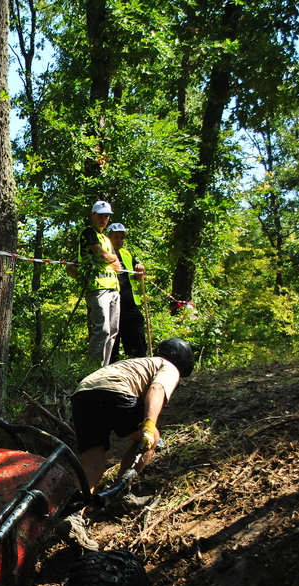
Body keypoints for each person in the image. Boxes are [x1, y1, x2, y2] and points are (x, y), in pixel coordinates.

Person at [70, 337, 194, 494]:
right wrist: (149, 426)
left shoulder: (138, 363)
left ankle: (75, 507)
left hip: (81, 395)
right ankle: (120, 494)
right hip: (114, 390)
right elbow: (157, 389)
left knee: (93, 466)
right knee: (153, 437)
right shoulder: (170, 367)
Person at [69, 200, 121, 368]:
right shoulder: (88, 232)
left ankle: (103, 369)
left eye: (107, 216)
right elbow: (101, 255)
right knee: (102, 330)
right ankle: (91, 369)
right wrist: (109, 258)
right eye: (101, 215)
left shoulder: (106, 239)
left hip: (113, 288)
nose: (104, 219)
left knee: (112, 331)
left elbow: (118, 266)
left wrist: (110, 258)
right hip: (97, 287)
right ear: (93, 215)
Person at [106, 223, 148, 363]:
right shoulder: (101, 253)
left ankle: (141, 370)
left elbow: (138, 276)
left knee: (138, 346)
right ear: (108, 237)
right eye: (116, 237)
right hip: (110, 306)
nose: (120, 240)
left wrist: (140, 270)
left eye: (122, 237)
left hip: (130, 307)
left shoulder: (126, 254)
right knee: (112, 348)